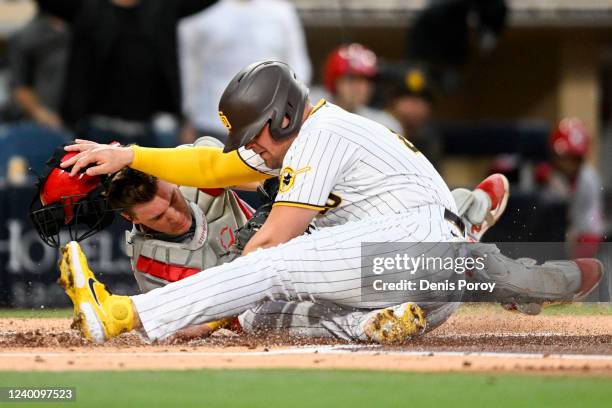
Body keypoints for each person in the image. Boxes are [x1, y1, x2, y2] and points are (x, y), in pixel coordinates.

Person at [57, 61, 603, 345]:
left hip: (411, 245)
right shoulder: (295, 140)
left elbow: (272, 245)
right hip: (416, 295)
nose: (250, 150)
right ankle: (382, 318)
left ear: (283, 117)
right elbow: (210, 167)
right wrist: (129, 154)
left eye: (254, 136)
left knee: (268, 262)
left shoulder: (321, 135)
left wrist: (200, 313)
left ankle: (122, 314)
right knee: (257, 315)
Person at [36, 0, 218, 147]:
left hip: (152, 128)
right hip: (93, 126)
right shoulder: (86, 7)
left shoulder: (162, 7)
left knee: (152, 189)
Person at [178, 0, 311, 143]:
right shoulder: (198, 12)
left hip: (269, 126)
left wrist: (291, 116)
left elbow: (299, 67)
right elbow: (188, 70)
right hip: (211, 123)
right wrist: (187, 119)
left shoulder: (282, 12)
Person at [535, 118, 605, 258]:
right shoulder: (541, 171)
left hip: (576, 236)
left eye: (574, 159)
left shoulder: (589, 179)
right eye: (564, 157)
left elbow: (590, 230)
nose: (568, 164)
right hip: (540, 235)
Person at [322, 43, 401, 132]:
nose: (361, 88)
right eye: (352, 79)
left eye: (367, 80)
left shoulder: (384, 125)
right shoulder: (311, 115)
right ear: (334, 81)